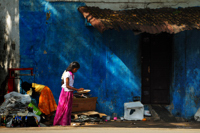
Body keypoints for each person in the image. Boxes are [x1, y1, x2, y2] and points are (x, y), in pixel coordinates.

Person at [53, 61, 84, 126]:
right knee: (63, 108)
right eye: (76, 69)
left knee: (68, 109)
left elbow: (70, 85)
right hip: (65, 93)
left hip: (69, 93)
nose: (76, 70)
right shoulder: (67, 74)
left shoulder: (72, 74)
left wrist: (76, 90)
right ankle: (60, 122)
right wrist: (77, 89)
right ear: (73, 68)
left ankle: (66, 123)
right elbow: (67, 86)